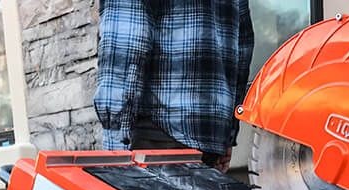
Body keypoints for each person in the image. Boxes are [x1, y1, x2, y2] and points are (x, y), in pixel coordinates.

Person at [94, 0, 254, 172]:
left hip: (157, 130)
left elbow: (127, 40)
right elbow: (243, 49)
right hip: (210, 134)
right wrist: (228, 134)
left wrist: (116, 137)